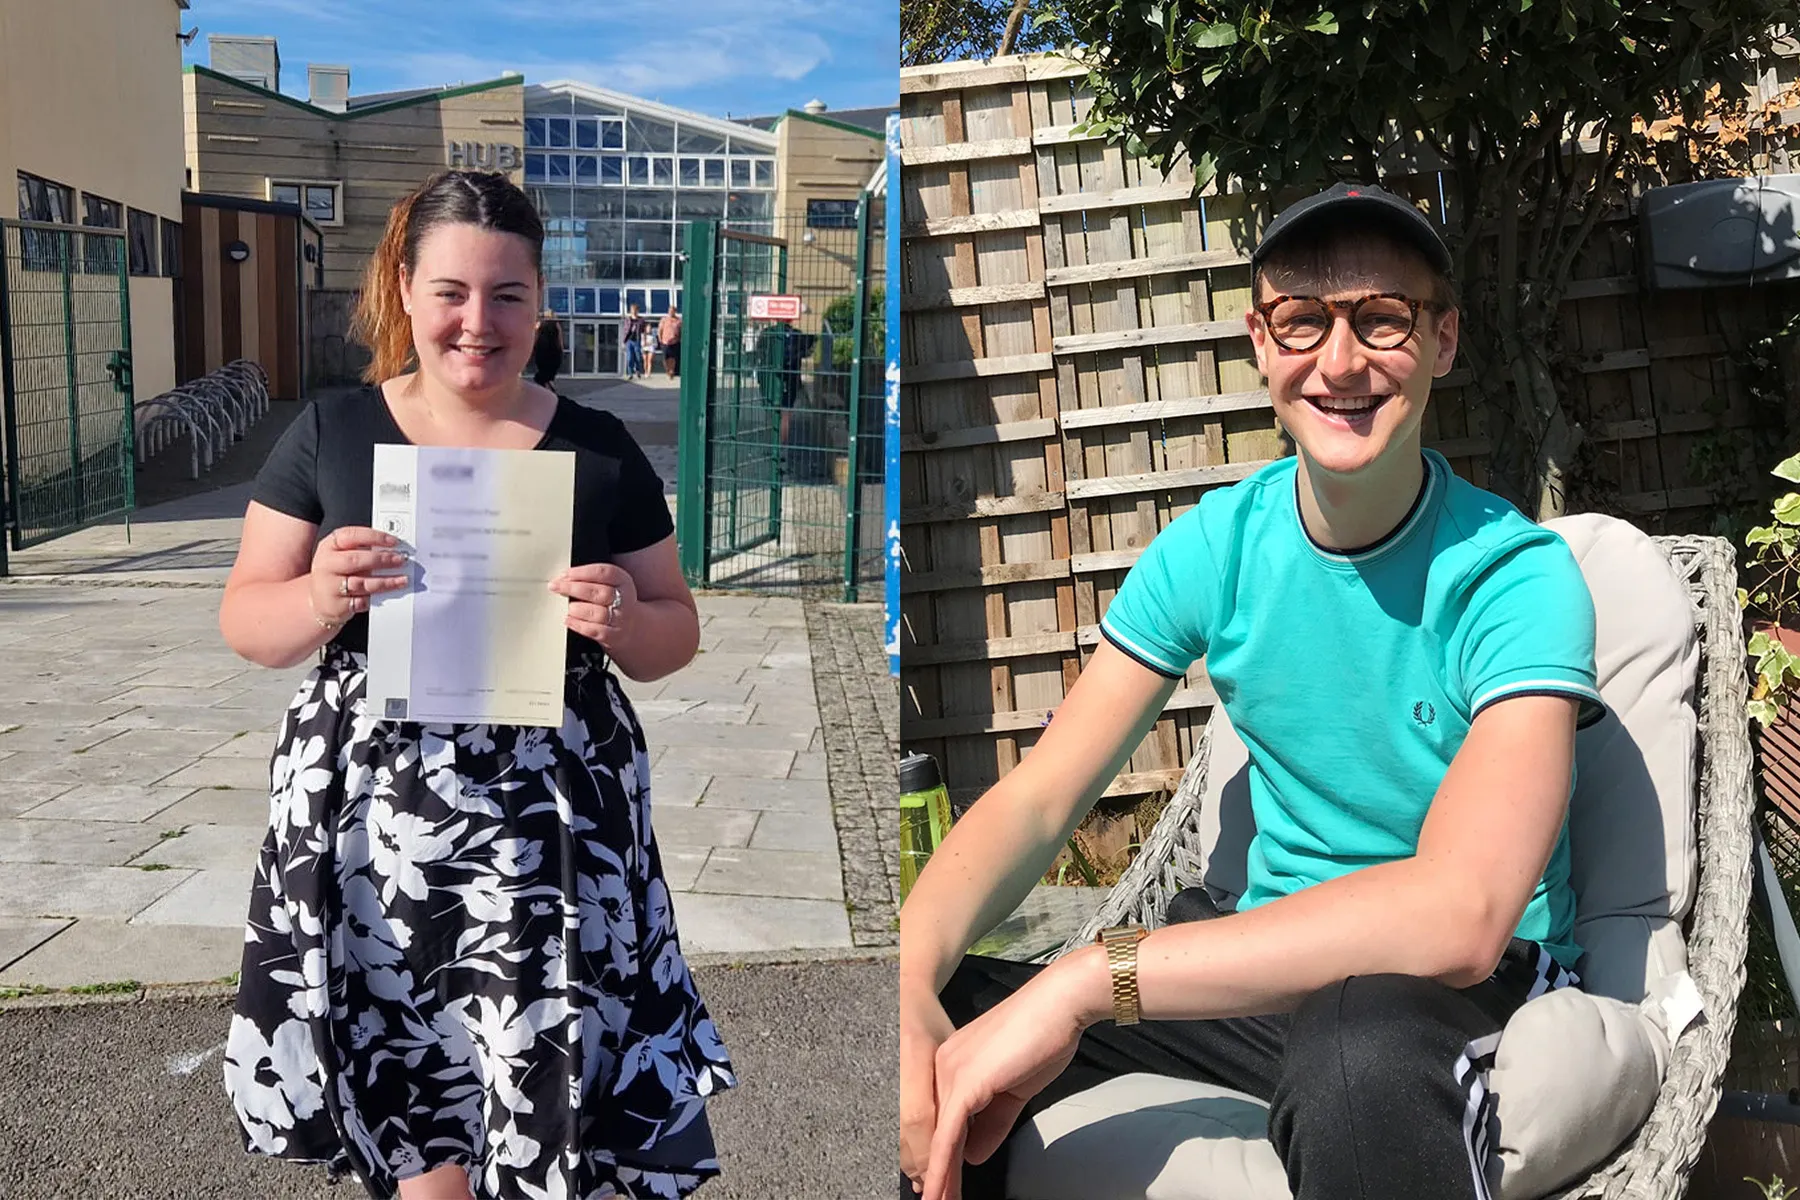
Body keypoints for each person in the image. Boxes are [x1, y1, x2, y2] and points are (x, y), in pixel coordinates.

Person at [899, 181, 1604, 1200]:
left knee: (1356, 1054)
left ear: (1443, 341)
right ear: (1260, 344)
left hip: (1456, 991)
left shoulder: (1515, 575)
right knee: (935, 1025)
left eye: (1383, 318)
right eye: (1302, 320)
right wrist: (913, 970)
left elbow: (1466, 910)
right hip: (1256, 979)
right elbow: (1043, 796)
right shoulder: (1215, 547)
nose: (1342, 360)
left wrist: (1097, 978)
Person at [218, 168, 735, 1200]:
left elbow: (678, 632)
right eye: (452, 291)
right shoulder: (332, 432)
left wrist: (629, 622)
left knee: (543, 1068)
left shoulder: (597, 447)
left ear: (540, 301)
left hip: (549, 822)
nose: (477, 321)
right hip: (373, 817)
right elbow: (247, 619)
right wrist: (321, 596)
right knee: (411, 1076)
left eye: (507, 294)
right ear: (404, 289)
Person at [531, 306, 563, 389]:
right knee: (549, 371)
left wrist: (533, 346)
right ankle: (548, 385)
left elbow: (535, 335)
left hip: (542, 349)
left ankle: (546, 385)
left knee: (543, 370)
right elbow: (560, 339)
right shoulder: (556, 325)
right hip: (552, 350)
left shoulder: (541, 324)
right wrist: (560, 349)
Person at [622, 303, 647, 379]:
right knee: (630, 358)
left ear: (637, 311)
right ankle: (630, 373)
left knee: (638, 357)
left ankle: (638, 371)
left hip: (637, 340)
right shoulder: (628, 319)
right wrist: (623, 341)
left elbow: (644, 331)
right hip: (629, 340)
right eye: (632, 310)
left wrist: (644, 340)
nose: (634, 311)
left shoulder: (641, 320)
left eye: (635, 310)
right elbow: (625, 330)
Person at [658, 308, 682, 379]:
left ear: (675, 312)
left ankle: (673, 371)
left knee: (674, 358)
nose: (671, 312)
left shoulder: (679, 320)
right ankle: (668, 370)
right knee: (666, 358)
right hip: (665, 341)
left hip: (675, 342)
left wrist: (680, 339)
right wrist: (660, 339)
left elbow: (681, 330)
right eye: (670, 311)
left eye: (672, 311)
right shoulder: (664, 320)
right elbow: (660, 330)